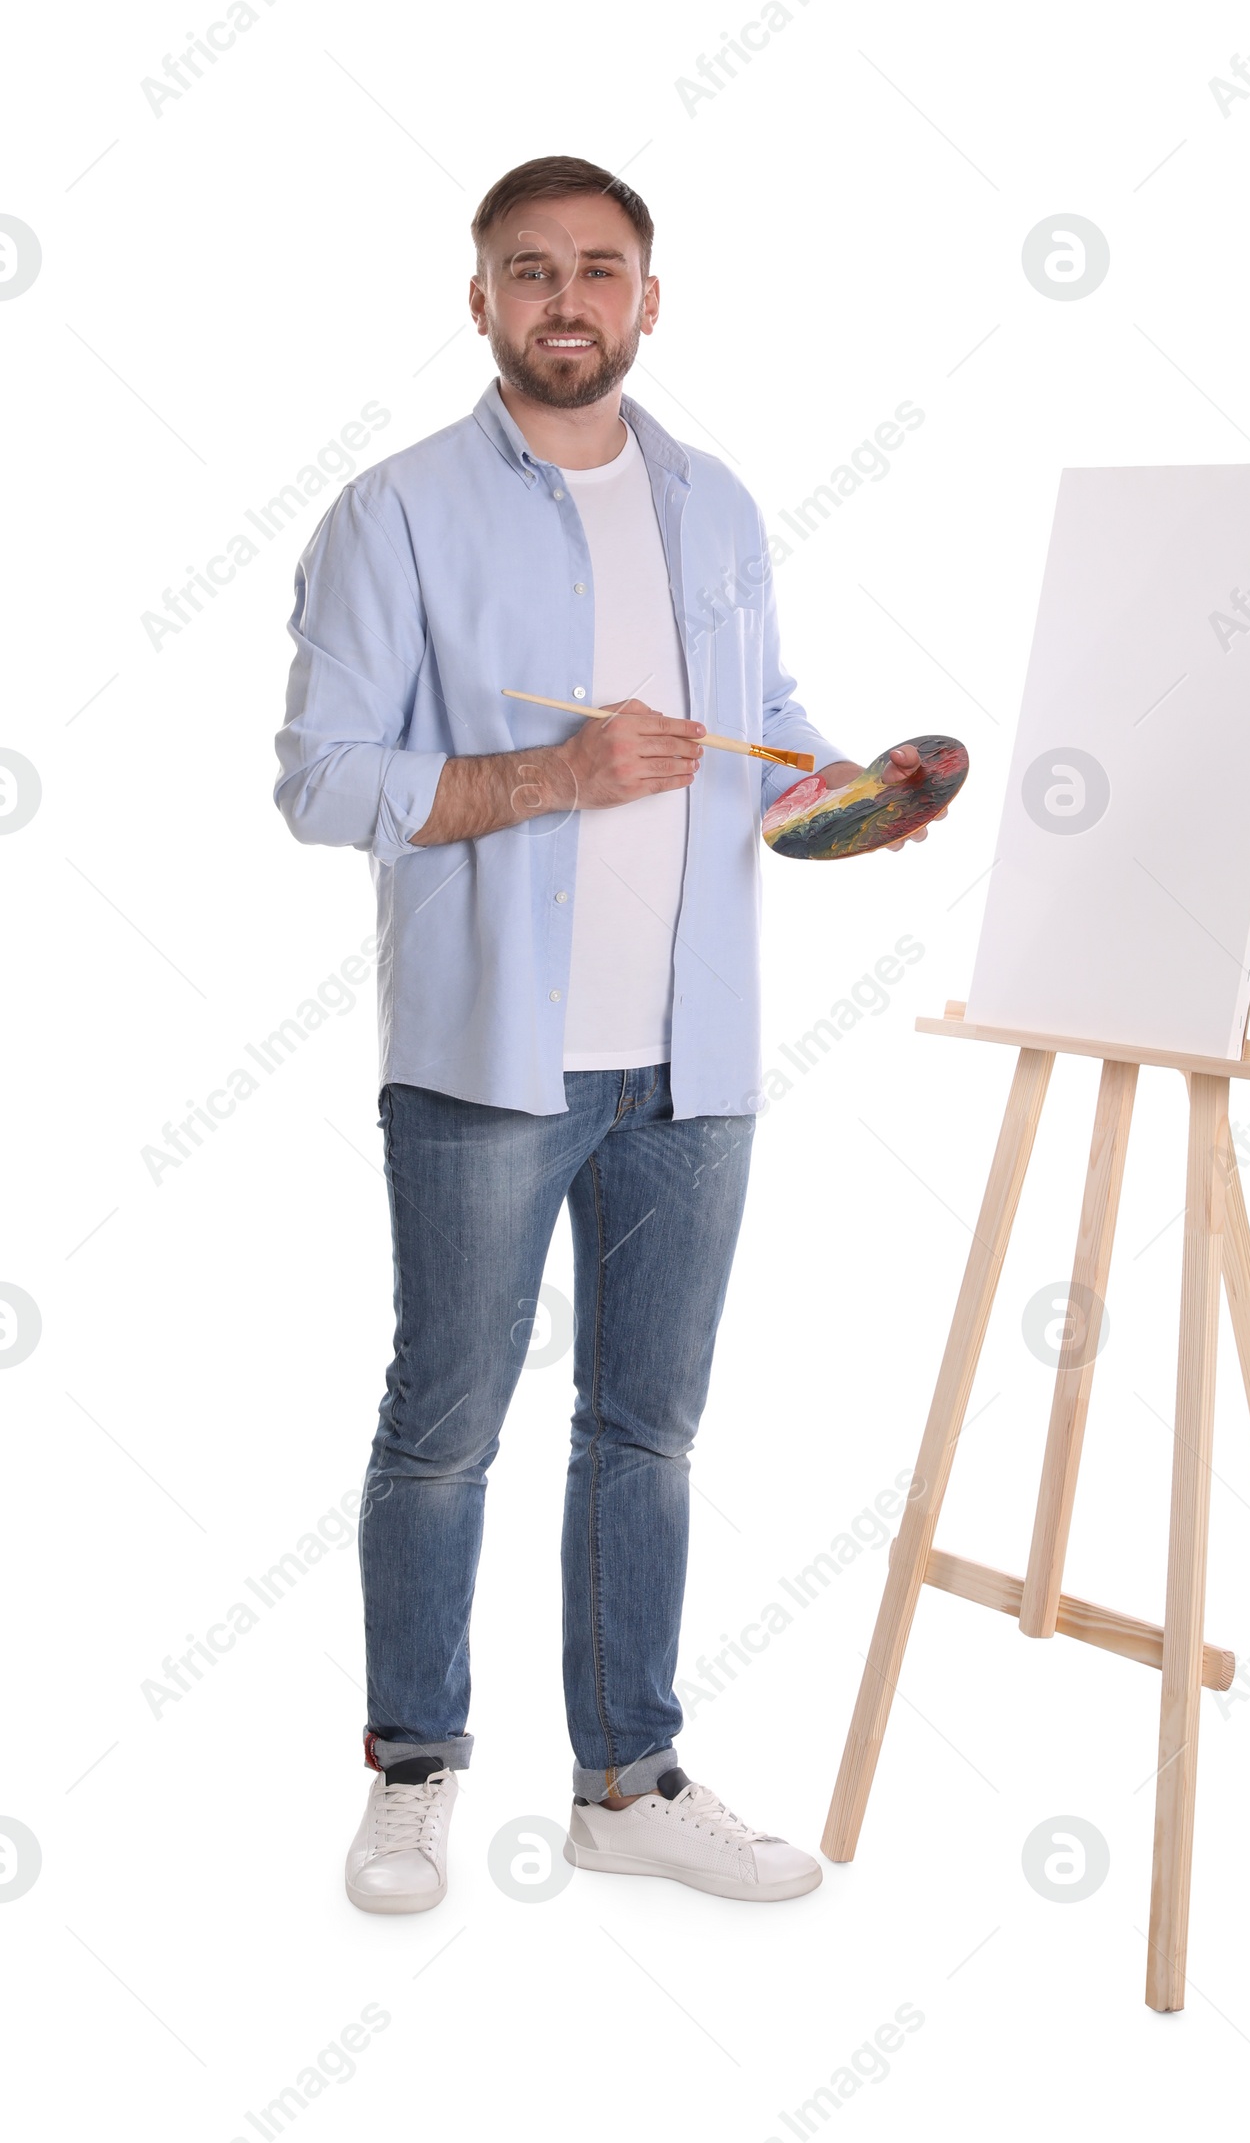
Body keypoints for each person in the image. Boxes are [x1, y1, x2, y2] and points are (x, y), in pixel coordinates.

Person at [273, 154, 943, 1915]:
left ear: (652, 299)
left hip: (691, 1056)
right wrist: (554, 775)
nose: (564, 298)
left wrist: (846, 792)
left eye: (597, 269)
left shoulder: (717, 504)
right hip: (489, 1057)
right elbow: (322, 780)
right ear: (479, 298)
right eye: (528, 271)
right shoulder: (393, 511)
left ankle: (626, 1783)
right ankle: (412, 1769)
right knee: (444, 1428)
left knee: (647, 1431)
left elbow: (764, 720)